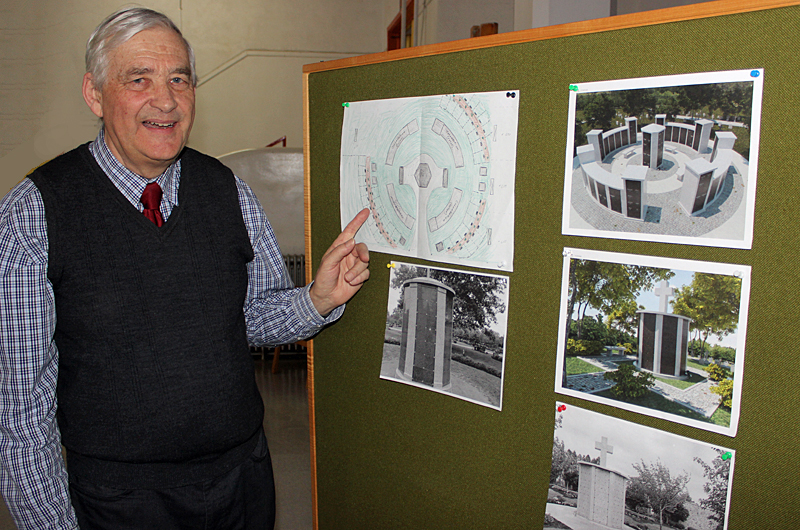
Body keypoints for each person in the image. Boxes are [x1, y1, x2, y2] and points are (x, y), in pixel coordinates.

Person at [0, 7, 369, 530]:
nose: (166, 100)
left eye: (180, 78)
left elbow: (248, 318)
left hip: (241, 484)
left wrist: (319, 299)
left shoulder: (227, 190)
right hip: (120, 503)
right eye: (139, 79)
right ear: (94, 93)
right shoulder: (35, 213)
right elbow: (21, 410)